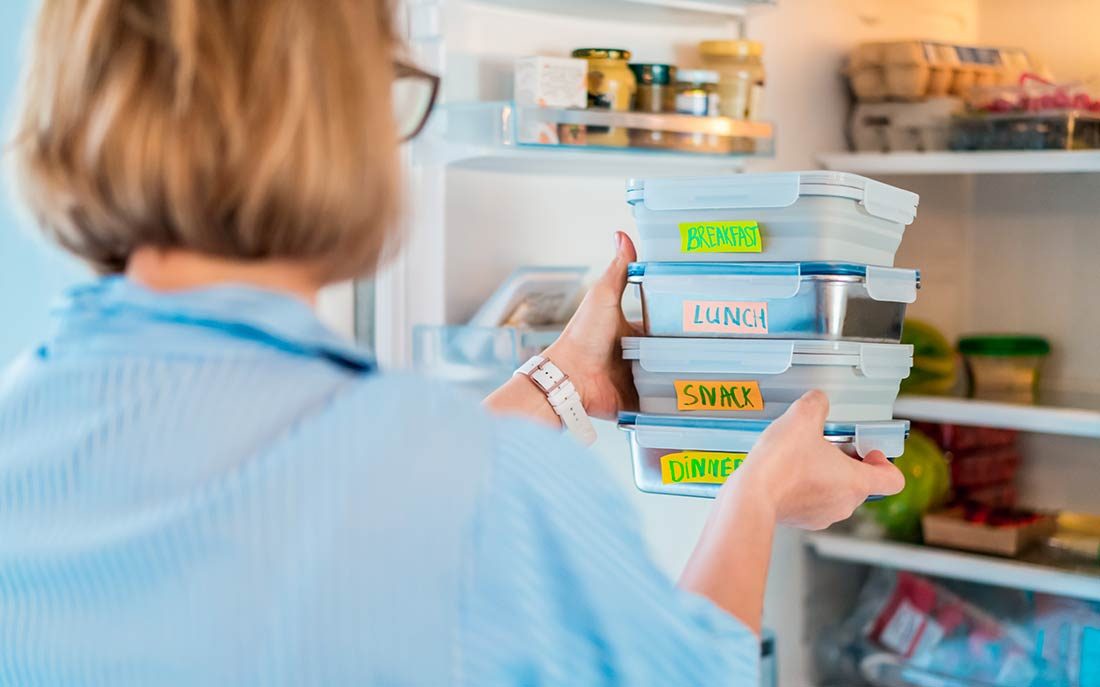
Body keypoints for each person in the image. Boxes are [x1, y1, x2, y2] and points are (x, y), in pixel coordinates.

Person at [0, 1, 904, 685]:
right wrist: (757, 493)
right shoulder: (488, 488)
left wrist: (562, 378)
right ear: (339, 125)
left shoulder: (21, 422)